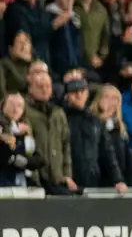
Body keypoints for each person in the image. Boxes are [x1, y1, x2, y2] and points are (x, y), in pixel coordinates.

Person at [64, 77, 125, 192]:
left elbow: (108, 152)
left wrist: (118, 179)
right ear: (67, 96)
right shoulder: (63, 119)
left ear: (87, 94)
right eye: (74, 92)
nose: (79, 95)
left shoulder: (95, 121)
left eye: (82, 91)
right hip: (70, 180)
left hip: (93, 180)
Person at [23, 62, 73, 194]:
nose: (44, 90)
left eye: (47, 86)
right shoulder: (24, 111)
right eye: (39, 87)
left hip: (57, 179)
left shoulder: (58, 113)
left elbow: (65, 145)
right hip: (35, 180)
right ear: (30, 88)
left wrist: (67, 174)